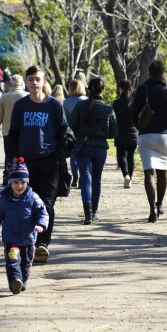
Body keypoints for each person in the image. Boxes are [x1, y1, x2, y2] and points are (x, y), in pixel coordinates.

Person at [8, 65, 68, 263]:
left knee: (46, 204)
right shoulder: (20, 105)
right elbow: (13, 133)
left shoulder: (54, 105)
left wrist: (57, 156)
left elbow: (64, 134)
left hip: (49, 162)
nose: (34, 83)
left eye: (38, 79)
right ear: (26, 82)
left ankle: (43, 244)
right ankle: (28, 243)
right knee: (26, 204)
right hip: (25, 164)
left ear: (44, 82)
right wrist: (14, 157)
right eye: (31, 79)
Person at [0, 158, 49, 294]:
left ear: (27, 182)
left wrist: (41, 224)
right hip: (11, 237)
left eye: (22, 182)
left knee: (26, 262)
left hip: (28, 238)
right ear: (10, 183)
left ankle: (23, 280)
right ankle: (15, 280)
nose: (19, 186)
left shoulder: (33, 197)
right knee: (13, 260)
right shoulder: (5, 199)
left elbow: (42, 212)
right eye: (15, 182)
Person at [131, 60, 167, 223]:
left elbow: (133, 113)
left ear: (149, 73)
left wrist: (140, 126)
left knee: (149, 173)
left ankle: (152, 207)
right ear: (163, 73)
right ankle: (160, 205)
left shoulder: (142, 89)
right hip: (164, 136)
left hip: (146, 135)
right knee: (162, 172)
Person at [68, 77, 117, 224]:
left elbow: (71, 125)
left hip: (83, 146)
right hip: (100, 148)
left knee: (85, 179)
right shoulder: (108, 108)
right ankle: (95, 211)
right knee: (97, 179)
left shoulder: (80, 105)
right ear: (103, 90)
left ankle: (87, 213)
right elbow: (113, 132)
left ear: (89, 89)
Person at [0, 74, 28, 185]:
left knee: (9, 154)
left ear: (11, 84)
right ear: (22, 84)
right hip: (25, 131)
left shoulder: (4, 97)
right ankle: (23, 175)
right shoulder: (27, 96)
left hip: (7, 131)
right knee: (23, 154)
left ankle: (7, 175)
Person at [112, 80, 139, 188]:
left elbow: (114, 119)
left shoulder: (117, 103)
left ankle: (126, 175)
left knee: (122, 155)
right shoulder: (134, 102)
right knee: (131, 156)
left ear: (120, 89)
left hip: (120, 133)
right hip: (134, 134)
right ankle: (130, 178)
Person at [63, 79, 88, 188]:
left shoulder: (67, 102)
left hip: (72, 131)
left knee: (74, 154)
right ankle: (83, 177)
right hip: (85, 131)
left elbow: (65, 119)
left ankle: (75, 176)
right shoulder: (87, 100)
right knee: (85, 154)